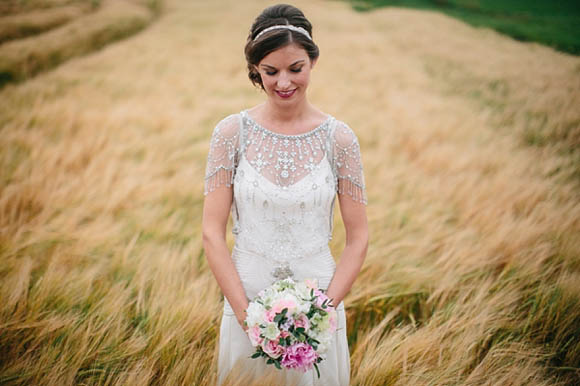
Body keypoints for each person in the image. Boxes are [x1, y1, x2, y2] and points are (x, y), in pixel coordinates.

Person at [202, 4, 368, 385]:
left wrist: (321, 312)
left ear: (313, 62)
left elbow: (359, 237)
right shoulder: (231, 134)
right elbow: (212, 232)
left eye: (296, 69)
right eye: (270, 71)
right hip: (247, 301)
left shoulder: (339, 139)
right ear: (255, 71)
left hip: (320, 308)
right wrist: (250, 320)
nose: (283, 82)